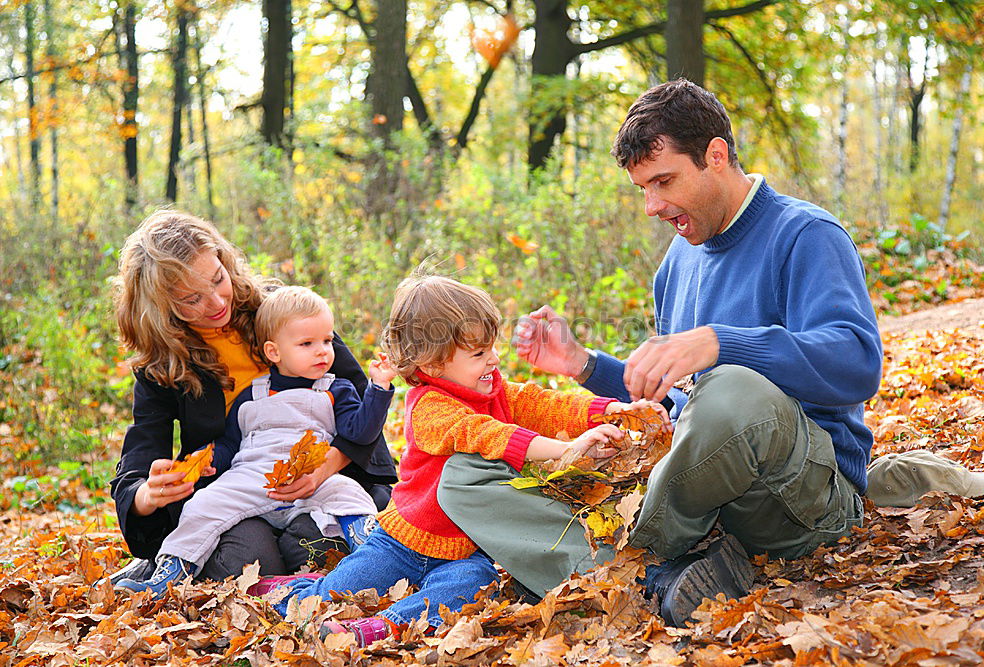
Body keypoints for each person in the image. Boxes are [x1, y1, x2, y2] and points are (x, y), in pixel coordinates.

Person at [437, 79, 884, 626]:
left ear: (715, 156)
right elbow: (678, 405)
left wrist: (721, 343)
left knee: (730, 383)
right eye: (643, 188)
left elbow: (858, 362)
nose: (653, 206)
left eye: (664, 181)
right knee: (462, 473)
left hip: (801, 498)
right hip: (698, 494)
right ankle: (660, 575)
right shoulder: (677, 261)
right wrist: (581, 363)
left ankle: (626, 561)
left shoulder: (806, 234)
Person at [250, 275, 668, 647]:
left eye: (492, 348)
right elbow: (488, 436)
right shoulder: (429, 407)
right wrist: (567, 450)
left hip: (468, 550)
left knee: (470, 587)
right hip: (401, 541)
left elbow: (546, 405)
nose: (494, 360)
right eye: (478, 353)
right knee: (340, 591)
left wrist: (612, 411)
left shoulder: (496, 389)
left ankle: (381, 627)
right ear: (432, 364)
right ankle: (294, 592)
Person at [108, 210, 397, 586]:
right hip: (236, 491)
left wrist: (323, 467)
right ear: (160, 306)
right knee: (245, 561)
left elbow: (360, 401)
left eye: (218, 279)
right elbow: (140, 454)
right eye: (191, 299)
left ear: (225, 261)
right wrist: (147, 494)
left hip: (323, 479)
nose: (215, 303)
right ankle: (168, 566)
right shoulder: (160, 365)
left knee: (318, 543)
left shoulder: (284, 312)